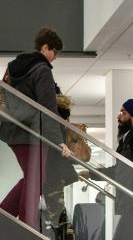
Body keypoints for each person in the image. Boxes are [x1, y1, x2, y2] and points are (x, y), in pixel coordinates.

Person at [0, 28, 72, 231]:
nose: (55, 58)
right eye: (55, 52)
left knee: (33, 178)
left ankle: (2, 217)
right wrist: (59, 140)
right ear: (45, 47)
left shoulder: (14, 67)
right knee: (36, 179)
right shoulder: (42, 69)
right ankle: (23, 226)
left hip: (13, 130)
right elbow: (48, 108)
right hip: (33, 133)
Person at [79, 99, 133, 240]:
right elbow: (120, 171)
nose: (119, 116)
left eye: (123, 112)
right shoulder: (131, 139)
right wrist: (91, 173)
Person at [43, 87, 79, 239]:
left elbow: (54, 152)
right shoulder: (62, 118)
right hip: (56, 174)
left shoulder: (52, 118)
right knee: (58, 215)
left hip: (52, 173)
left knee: (57, 217)